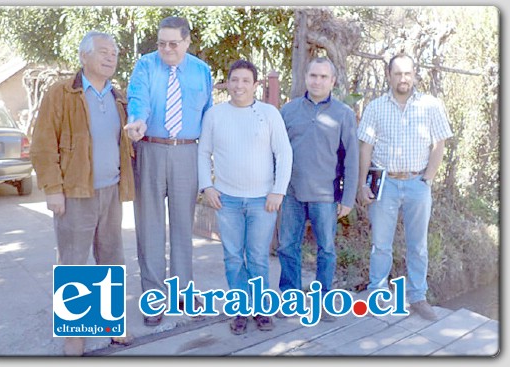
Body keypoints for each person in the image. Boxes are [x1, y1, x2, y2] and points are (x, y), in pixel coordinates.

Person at [30, 30, 135, 356]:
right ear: (84, 56)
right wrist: (53, 189)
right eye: (103, 51)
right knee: (74, 262)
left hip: (110, 191)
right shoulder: (62, 93)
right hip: (75, 192)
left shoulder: (119, 97)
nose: (110, 57)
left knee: (111, 259)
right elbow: (43, 144)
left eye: (114, 53)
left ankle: (108, 322)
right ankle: (74, 333)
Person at [124, 16, 213, 326]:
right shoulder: (146, 65)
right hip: (149, 147)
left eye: (173, 44)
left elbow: (209, 115)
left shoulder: (202, 71)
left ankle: (183, 292)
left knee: (182, 228)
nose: (166, 49)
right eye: (161, 43)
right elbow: (139, 98)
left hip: (188, 151)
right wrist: (138, 120)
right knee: (149, 228)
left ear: (187, 42)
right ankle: (153, 297)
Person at [198, 60, 293, 334]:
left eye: (245, 80)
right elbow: (203, 152)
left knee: (258, 256)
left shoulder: (269, 113)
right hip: (226, 199)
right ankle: (240, 309)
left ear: (254, 85)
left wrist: (279, 189)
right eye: (234, 79)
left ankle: (262, 309)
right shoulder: (215, 115)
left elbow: (284, 153)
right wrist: (207, 186)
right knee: (233, 257)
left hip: (262, 200)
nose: (239, 85)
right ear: (227, 83)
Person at [357, 53, 453, 321]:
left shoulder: (431, 106)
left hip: (416, 183)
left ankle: (418, 297)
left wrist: (428, 179)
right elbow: (366, 147)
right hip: (384, 183)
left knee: (418, 245)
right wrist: (363, 184)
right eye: (397, 73)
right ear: (389, 76)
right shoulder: (375, 107)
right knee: (380, 245)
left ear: (415, 75)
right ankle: (377, 294)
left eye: (407, 73)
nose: (403, 78)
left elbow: (439, 144)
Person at [277, 57, 359, 321]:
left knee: (326, 249)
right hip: (291, 193)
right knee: (288, 246)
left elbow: (351, 159)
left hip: (326, 195)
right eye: (313, 75)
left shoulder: (343, 114)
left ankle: (322, 301)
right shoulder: (288, 111)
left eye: (324, 77)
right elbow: (276, 152)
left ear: (333, 81)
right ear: (306, 77)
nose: (317, 81)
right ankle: (290, 298)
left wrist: (347, 198)